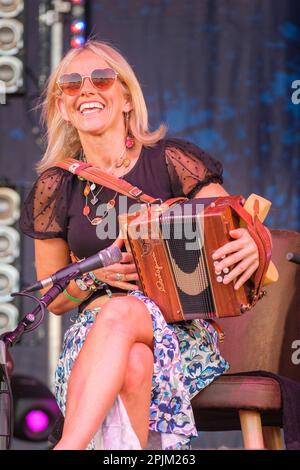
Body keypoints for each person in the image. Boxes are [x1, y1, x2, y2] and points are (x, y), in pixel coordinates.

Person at [20, 40, 261, 450]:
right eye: (72, 84)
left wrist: (255, 240)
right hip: (94, 335)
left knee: (124, 309)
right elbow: (52, 296)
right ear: (62, 107)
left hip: (180, 335)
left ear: (127, 99)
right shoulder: (55, 186)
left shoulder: (171, 160)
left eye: (101, 78)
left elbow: (235, 221)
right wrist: (94, 277)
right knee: (133, 361)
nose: (87, 90)